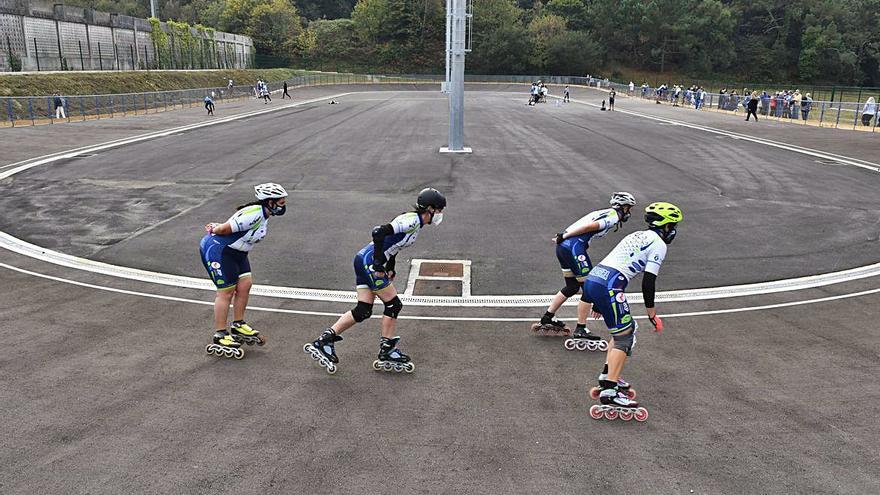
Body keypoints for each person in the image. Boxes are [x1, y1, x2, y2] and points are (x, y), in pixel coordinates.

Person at [304, 188, 447, 374]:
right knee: (393, 305)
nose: (440, 215)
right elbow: (378, 232)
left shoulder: (416, 224)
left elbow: (394, 246)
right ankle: (387, 350)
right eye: (439, 210)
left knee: (363, 310)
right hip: (369, 261)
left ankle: (324, 341)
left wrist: (390, 266)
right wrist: (378, 264)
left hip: (364, 259)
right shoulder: (411, 220)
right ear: (430, 209)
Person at [585, 202, 682, 422]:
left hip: (597, 277)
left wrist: (598, 301)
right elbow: (649, 281)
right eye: (673, 225)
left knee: (623, 329)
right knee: (625, 336)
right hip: (609, 284)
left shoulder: (636, 235)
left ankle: (607, 376)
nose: (674, 230)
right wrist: (652, 313)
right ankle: (610, 391)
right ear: (665, 226)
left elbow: (614, 260)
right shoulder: (658, 244)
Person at [531, 192, 637, 350]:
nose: (629, 213)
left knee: (572, 286)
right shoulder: (614, 215)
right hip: (574, 247)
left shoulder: (601, 212)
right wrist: (564, 235)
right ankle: (581, 328)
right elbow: (589, 227)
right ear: (624, 207)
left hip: (564, 248)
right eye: (629, 209)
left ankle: (548, 317)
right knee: (588, 288)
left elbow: (582, 224)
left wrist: (563, 236)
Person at [201, 183, 289, 359]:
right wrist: (214, 228)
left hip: (238, 252)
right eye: (281, 201)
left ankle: (238, 324)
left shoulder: (264, 213)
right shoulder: (254, 213)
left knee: (245, 285)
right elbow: (225, 229)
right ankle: (220, 334)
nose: (283, 205)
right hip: (219, 251)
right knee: (226, 293)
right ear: (269, 202)